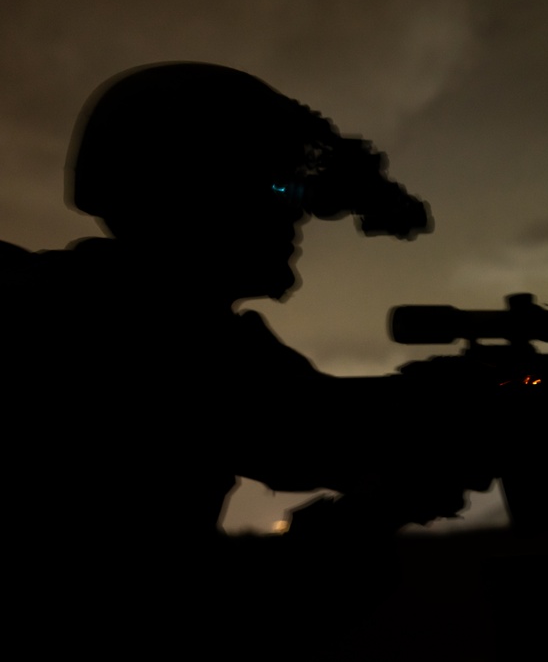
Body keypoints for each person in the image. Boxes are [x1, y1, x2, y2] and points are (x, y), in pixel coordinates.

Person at [0, 61, 465, 656]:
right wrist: (368, 519)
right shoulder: (152, 334)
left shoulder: (87, 304)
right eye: (276, 187)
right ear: (199, 193)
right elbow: (165, 608)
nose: (296, 213)